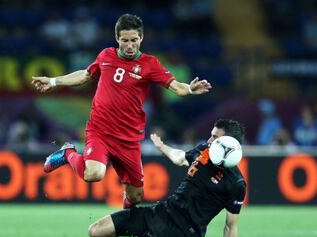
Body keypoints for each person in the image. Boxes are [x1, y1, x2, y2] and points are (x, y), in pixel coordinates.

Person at [18, 119, 246, 237]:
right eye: (211, 135)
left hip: (178, 235)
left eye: (215, 138)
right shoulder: (203, 151)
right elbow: (180, 158)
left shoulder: (235, 184)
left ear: (230, 146)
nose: (209, 140)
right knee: (96, 231)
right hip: (162, 212)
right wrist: (163, 146)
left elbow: (230, 227)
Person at [31, 14, 212, 208]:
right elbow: (84, 75)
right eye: (125, 40)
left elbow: (177, 88)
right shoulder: (106, 55)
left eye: (134, 40)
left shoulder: (150, 64)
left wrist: (191, 89)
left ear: (141, 38)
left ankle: (121, 223)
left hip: (128, 137)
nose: (129, 45)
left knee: (135, 197)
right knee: (94, 174)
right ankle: (68, 153)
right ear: (117, 38)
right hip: (100, 129)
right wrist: (52, 81)